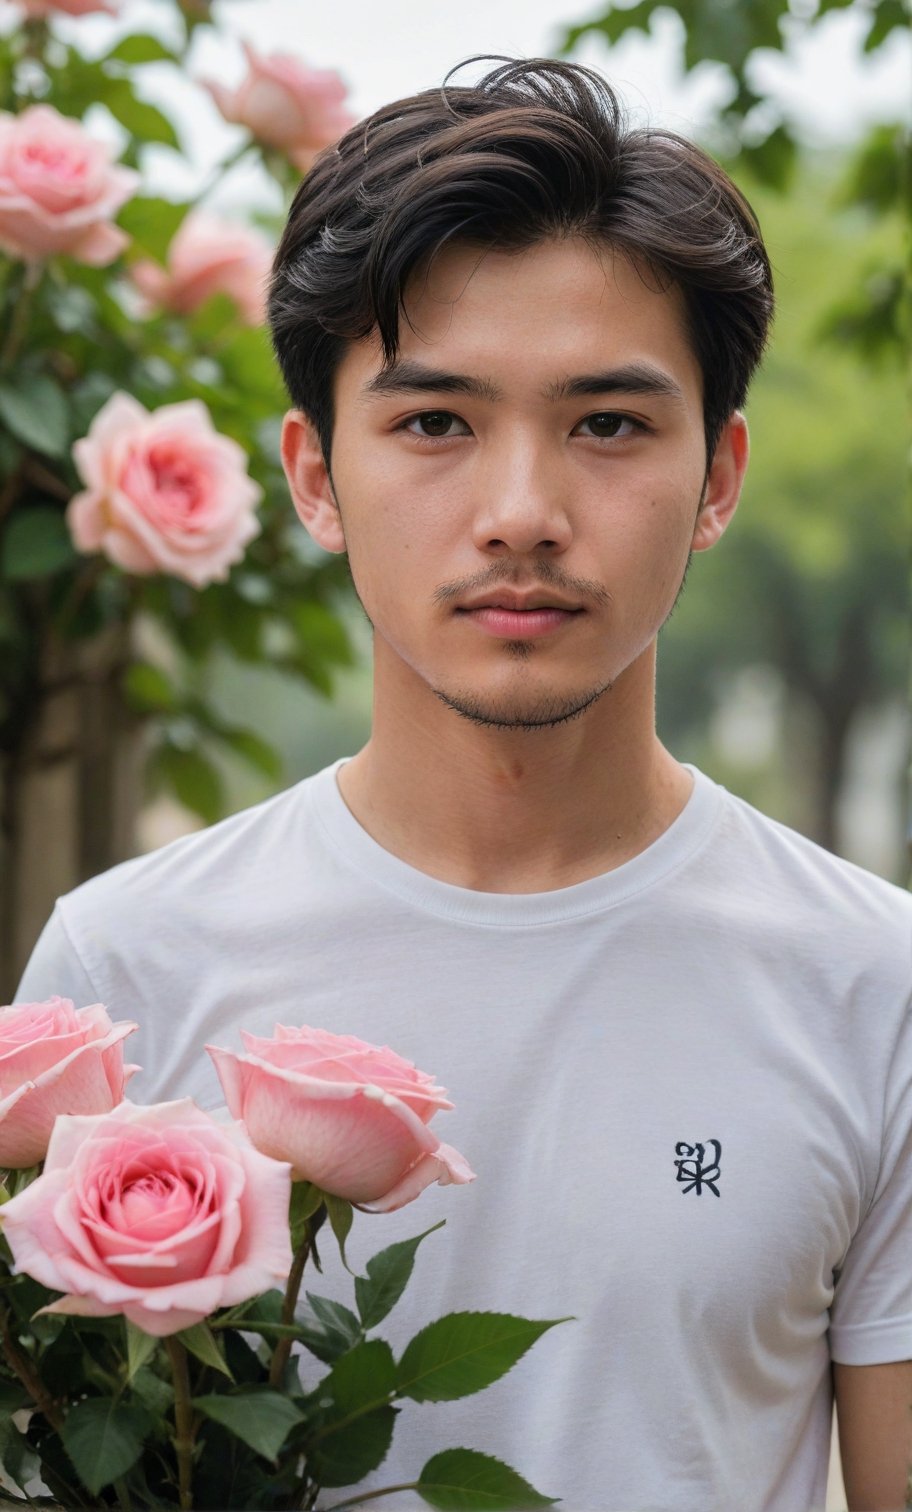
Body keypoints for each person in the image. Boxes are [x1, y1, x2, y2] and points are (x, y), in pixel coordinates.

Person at [16, 58, 912, 1512]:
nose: (522, 515)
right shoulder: (124, 972)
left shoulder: (874, 984)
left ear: (720, 476)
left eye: (609, 424)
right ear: (313, 475)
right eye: (434, 423)